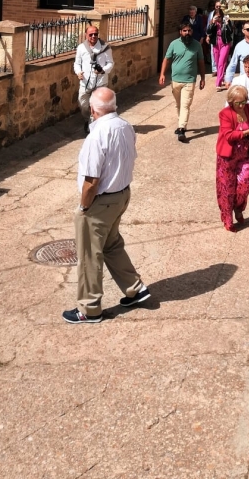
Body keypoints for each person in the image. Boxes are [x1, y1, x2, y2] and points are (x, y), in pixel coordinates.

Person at [62, 88, 148, 324]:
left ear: (92, 110)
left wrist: (84, 207)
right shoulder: (126, 126)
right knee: (111, 244)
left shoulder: (96, 136)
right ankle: (135, 288)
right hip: (121, 196)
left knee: (89, 254)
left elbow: (91, 181)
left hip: (101, 202)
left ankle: (89, 309)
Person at [216, 84, 249, 231]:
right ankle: (227, 217)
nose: (241, 105)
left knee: (245, 183)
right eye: (238, 103)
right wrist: (246, 132)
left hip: (244, 153)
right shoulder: (225, 114)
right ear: (231, 101)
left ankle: (238, 208)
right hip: (227, 155)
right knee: (227, 188)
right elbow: (228, 135)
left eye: (244, 101)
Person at [159, 20, 206, 143]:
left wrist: (203, 78)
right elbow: (167, 59)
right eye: (184, 31)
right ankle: (182, 125)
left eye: (189, 30)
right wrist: (162, 74)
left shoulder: (197, 45)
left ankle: (181, 129)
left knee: (185, 105)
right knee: (178, 105)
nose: (187, 33)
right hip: (175, 80)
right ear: (180, 32)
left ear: (192, 32)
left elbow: (201, 62)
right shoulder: (174, 44)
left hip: (189, 81)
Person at [73, 24, 114, 134]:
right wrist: (78, 72)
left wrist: (103, 70)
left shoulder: (105, 48)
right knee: (83, 104)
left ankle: (93, 127)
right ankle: (87, 119)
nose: (93, 36)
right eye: (91, 34)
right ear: (86, 35)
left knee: (97, 106)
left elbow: (110, 63)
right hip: (85, 83)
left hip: (100, 82)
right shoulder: (81, 48)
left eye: (95, 34)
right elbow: (77, 64)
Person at [224, 21, 249, 85]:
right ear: (243, 31)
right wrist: (228, 79)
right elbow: (233, 64)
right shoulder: (239, 46)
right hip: (244, 81)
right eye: (248, 29)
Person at [207, 7, 233, 91]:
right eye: (216, 16)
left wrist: (227, 23)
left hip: (225, 43)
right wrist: (212, 23)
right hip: (216, 43)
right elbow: (208, 31)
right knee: (218, 63)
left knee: (221, 62)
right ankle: (221, 78)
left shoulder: (226, 21)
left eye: (219, 16)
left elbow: (230, 31)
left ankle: (218, 83)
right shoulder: (213, 23)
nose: (218, 18)